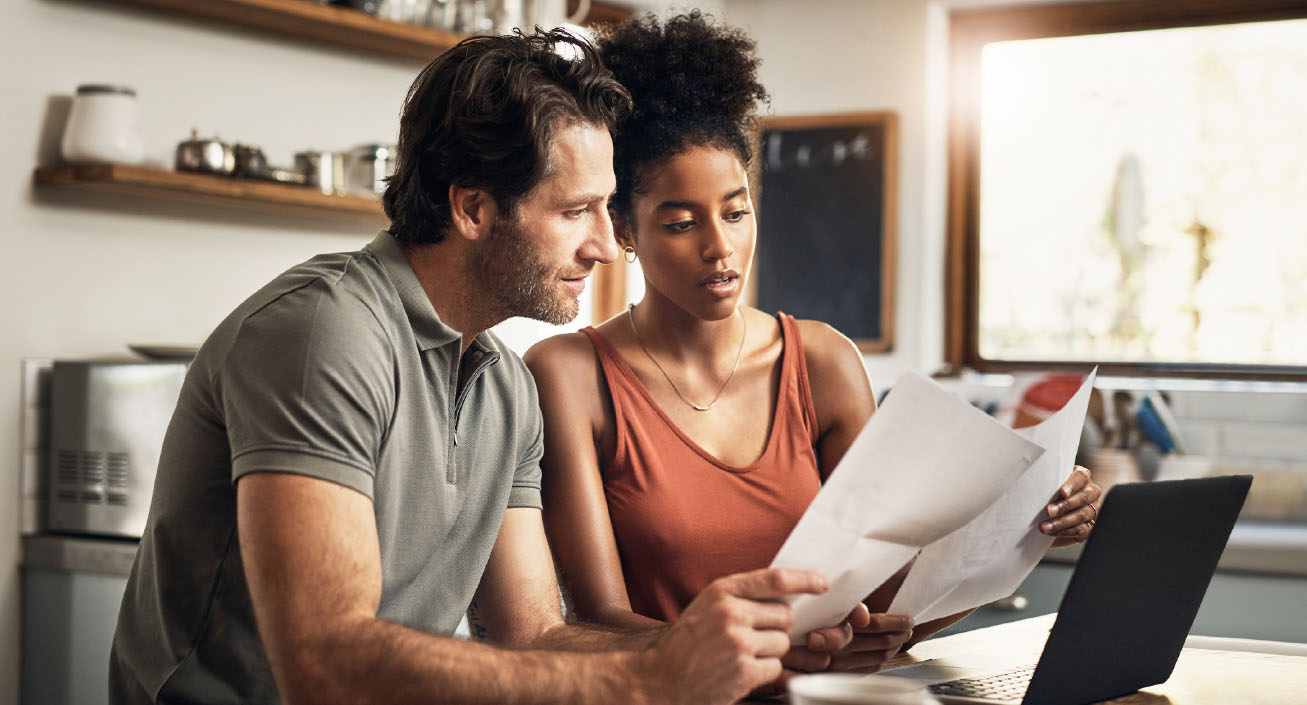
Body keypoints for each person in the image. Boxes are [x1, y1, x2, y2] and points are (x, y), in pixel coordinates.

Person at [109, 29, 852, 705]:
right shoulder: (323, 332)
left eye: (606, 211)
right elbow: (323, 661)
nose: (602, 245)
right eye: (574, 212)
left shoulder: (503, 383)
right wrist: (650, 677)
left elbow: (531, 630)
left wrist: (743, 651)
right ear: (472, 207)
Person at [524, 11, 1102, 684]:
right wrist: (766, 657)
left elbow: (889, 603)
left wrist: (1027, 527)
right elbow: (598, 622)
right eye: (680, 222)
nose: (719, 247)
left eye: (736, 212)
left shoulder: (821, 361)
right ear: (621, 226)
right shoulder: (570, 375)